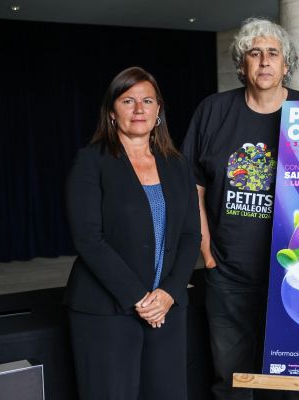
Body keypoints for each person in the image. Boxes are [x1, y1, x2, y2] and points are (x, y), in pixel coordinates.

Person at [181, 17, 299, 400]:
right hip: (229, 273)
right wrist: (207, 251)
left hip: (297, 270)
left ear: (286, 64)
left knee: (296, 377)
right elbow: (192, 187)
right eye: (254, 54)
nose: (263, 62)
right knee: (232, 378)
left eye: (272, 54)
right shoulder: (213, 111)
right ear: (241, 64)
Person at [65, 66, 200, 400]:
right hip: (106, 310)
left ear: (159, 112)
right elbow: (88, 238)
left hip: (167, 308)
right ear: (112, 113)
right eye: (128, 101)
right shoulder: (90, 161)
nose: (139, 109)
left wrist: (168, 293)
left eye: (148, 100)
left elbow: (190, 235)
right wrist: (140, 299)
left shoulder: (176, 163)